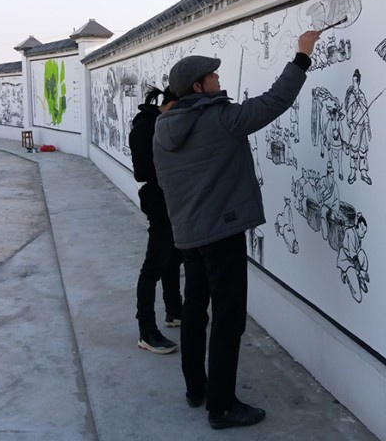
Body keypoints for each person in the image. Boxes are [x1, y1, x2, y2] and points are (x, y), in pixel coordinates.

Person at [153, 30, 320, 430]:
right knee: (228, 320)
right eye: (212, 76)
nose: (218, 79)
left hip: (189, 235)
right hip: (222, 234)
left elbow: (165, 183)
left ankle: (196, 388)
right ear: (198, 87)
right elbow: (275, 101)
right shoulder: (220, 119)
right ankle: (222, 407)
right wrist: (302, 56)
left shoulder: (163, 129)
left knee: (195, 310)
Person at [129, 85, 183, 355]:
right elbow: (142, 172)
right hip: (159, 203)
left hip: (174, 202)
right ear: (174, 104)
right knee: (154, 265)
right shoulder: (146, 127)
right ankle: (147, 331)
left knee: (174, 257)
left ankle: (174, 311)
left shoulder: (163, 123)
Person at [344, 69, 372, 184]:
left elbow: (365, 112)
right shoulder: (351, 97)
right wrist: (351, 126)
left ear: (359, 82)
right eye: (353, 81)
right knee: (354, 151)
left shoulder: (362, 96)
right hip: (355, 127)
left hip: (362, 127)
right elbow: (348, 114)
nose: (354, 83)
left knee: (363, 151)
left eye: (355, 81)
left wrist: (367, 127)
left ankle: (364, 173)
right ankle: (353, 172)